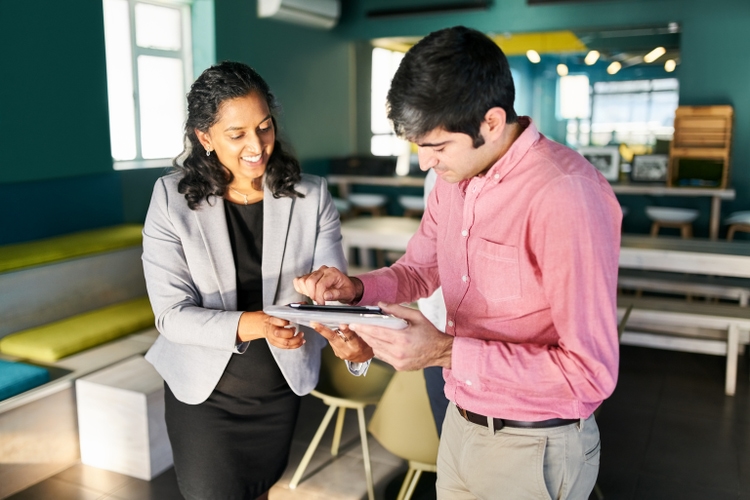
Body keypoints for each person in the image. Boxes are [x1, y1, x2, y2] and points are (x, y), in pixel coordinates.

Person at [294, 26, 622, 499]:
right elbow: (420, 270)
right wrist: (356, 289)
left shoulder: (565, 194)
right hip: (460, 423)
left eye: (438, 146)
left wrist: (445, 351)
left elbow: (589, 372)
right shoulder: (454, 179)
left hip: (534, 444)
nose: (426, 163)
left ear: (490, 122)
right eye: (419, 147)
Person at [141, 61, 371, 500]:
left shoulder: (311, 195)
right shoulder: (170, 200)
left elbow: (335, 298)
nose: (257, 145)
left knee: (261, 491)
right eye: (237, 134)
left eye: (264, 127)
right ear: (204, 138)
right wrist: (260, 324)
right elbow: (171, 316)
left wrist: (351, 342)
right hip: (204, 397)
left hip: (278, 392)